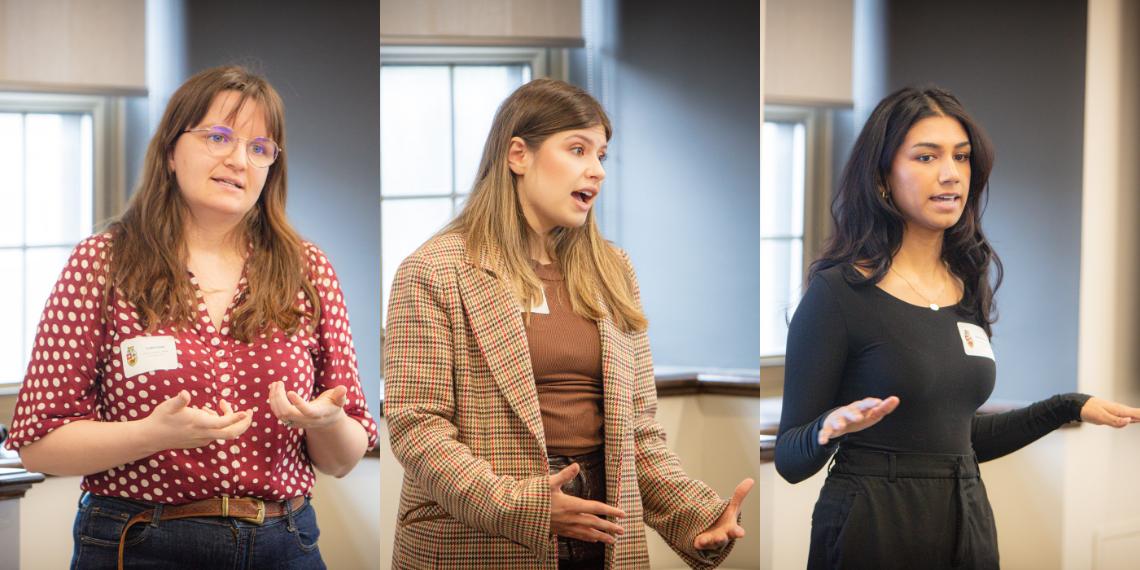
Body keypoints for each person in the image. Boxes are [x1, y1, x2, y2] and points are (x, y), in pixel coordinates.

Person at [3, 65, 378, 570]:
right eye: (218, 137)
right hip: (140, 540)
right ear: (170, 151)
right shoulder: (102, 264)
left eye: (259, 147)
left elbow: (342, 460)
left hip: (285, 542)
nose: (238, 160)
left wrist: (328, 421)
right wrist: (153, 433)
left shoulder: (307, 269)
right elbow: (38, 444)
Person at [384, 78, 753, 570]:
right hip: (480, 536)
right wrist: (526, 507)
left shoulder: (613, 269)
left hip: (605, 529)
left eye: (601, 155)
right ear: (518, 155)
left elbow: (637, 429)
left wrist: (694, 515)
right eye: (578, 149)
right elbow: (418, 429)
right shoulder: (433, 270)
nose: (597, 170)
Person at [775, 85, 1140, 569]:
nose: (950, 174)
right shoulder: (838, 293)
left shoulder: (966, 282)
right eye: (926, 157)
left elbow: (956, 443)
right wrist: (828, 428)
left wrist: (1067, 407)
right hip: (871, 520)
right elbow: (788, 459)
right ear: (882, 177)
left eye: (961, 157)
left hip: (965, 516)